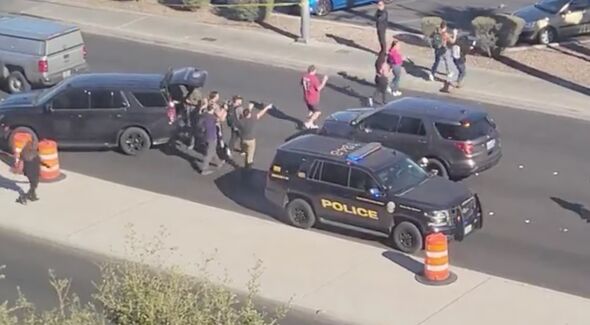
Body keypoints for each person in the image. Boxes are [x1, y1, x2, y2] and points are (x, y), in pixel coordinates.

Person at [235, 102, 272, 170]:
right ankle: (248, 166)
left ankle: (243, 152)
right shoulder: (253, 119)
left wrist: (249, 108)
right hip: (251, 140)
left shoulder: (240, 121)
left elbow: (239, 123)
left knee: (245, 149)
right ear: (249, 114)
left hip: (243, 139)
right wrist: (267, 107)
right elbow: (260, 113)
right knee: (250, 154)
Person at [195, 106, 224, 175]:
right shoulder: (212, 117)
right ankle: (204, 169)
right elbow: (220, 119)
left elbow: (198, 125)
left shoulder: (203, 115)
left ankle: (219, 162)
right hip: (212, 136)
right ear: (212, 110)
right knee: (209, 154)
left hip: (205, 136)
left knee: (212, 150)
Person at [301, 65, 328, 130]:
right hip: (312, 98)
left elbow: (302, 84)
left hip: (306, 97)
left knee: (311, 111)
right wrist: (324, 81)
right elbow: (319, 88)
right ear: (314, 71)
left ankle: (311, 123)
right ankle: (309, 122)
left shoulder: (304, 77)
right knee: (318, 112)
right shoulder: (314, 78)